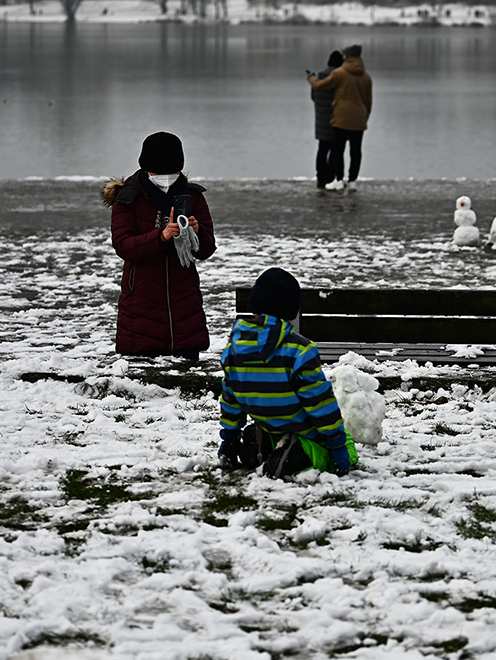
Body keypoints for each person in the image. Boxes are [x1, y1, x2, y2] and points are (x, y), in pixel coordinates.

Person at [218, 267, 358, 479]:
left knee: (270, 429)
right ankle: (296, 454)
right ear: (290, 311)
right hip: (302, 427)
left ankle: (264, 444)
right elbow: (319, 403)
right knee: (346, 445)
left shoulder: (233, 349)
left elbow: (230, 399)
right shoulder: (299, 351)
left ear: (254, 307)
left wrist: (229, 441)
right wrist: (338, 447)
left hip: (267, 422)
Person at [102, 131, 216, 359]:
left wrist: (197, 231)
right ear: (146, 168)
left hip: (184, 304)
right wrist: (161, 237)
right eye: (159, 172)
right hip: (141, 305)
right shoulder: (128, 198)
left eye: (172, 172)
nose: (166, 177)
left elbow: (207, 249)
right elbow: (124, 246)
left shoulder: (193, 197)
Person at [307, 44, 372, 191]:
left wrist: (311, 78)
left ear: (347, 57)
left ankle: (336, 179)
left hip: (339, 118)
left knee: (336, 150)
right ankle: (352, 180)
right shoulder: (366, 77)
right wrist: (365, 116)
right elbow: (369, 102)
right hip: (359, 118)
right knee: (356, 150)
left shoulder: (340, 74)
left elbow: (320, 87)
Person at [310, 50, 343, 189]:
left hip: (321, 119)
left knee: (322, 149)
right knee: (335, 150)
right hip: (337, 118)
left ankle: (320, 178)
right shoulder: (340, 78)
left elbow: (314, 97)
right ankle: (330, 178)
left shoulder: (318, 78)